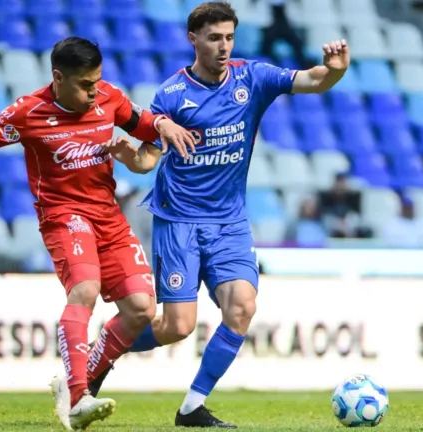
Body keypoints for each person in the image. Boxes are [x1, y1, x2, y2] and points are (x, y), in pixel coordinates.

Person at [0, 36, 195, 430]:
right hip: (63, 215)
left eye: (98, 81)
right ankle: (79, 395)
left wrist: (158, 133)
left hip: (108, 216)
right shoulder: (28, 113)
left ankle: (76, 384)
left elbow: (148, 129)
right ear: (58, 78)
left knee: (142, 308)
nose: (95, 92)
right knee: (85, 290)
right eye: (85, 85)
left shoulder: (109, 97)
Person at [82, 2, 349, 428]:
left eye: (229, 37)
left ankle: (191, 407)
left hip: (229, 223)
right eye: (213, 38)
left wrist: (334, 69)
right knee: (176, 327)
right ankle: (101, 353)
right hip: (179, 222)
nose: (223, 47)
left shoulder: (252, 78)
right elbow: (148, 162)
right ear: (193, 39)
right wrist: (129, 155)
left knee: (242, 307)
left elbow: (314, 79)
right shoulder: (171, 95)